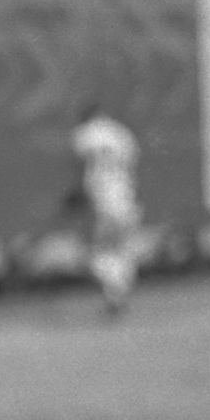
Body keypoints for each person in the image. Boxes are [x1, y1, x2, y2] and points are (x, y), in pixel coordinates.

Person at [69, 102, 143, 316]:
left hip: (102, 203)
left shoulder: (84, 133)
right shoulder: (121, 132)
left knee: (97, 252)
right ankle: (118, 291)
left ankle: (115, 290)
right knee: (122, 250)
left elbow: (81, 165)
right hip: (126, 199)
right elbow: (132, 162)